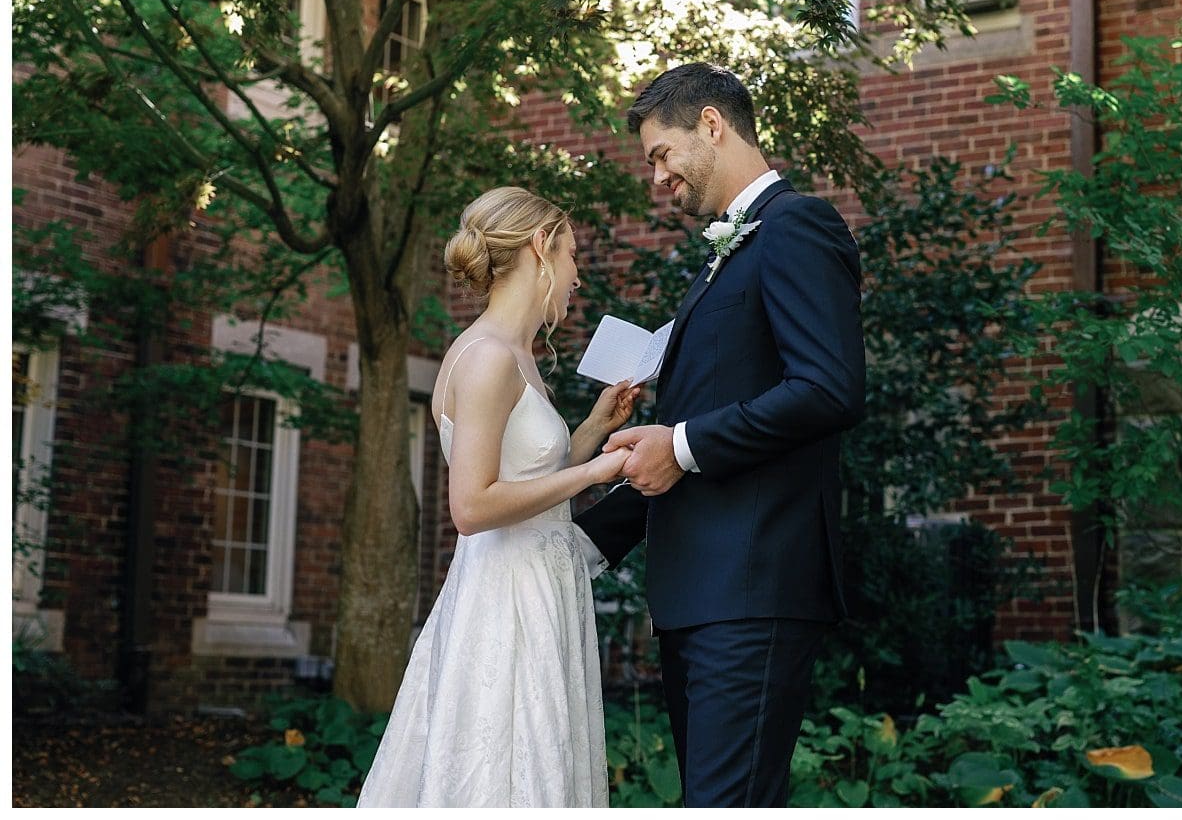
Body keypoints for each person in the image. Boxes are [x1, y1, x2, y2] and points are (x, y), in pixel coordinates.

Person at [574, 63, 865, 807]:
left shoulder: (798, 225)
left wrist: (677, 444)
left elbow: (826, 389)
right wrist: (570, 546)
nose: (658, 178)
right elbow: (698, 433)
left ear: (711, 124)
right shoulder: (723, 258)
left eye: (661, 155)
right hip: (698, 594)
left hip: (755, 582)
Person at [357, 187, 642, 808]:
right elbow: (473, 507)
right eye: (570, 255)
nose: (575, 276)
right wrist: (594, 476)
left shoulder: (518, 355)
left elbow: (527, 482)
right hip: (506, 594)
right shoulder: (486, 358)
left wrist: (592, 430)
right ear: (540, 248)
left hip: (541, 586)